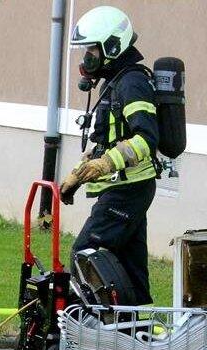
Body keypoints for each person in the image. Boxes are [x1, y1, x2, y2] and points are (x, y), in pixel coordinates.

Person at [60, 6, 159, 305]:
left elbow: (145, 140)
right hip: (127, 188)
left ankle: (81, 330)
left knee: (85, 255)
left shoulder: (132, 83)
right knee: (130, 267)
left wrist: (105, 164)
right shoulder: (115, 83)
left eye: (91, 51)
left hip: (128, 189)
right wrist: (77, 175)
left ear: (112, 46)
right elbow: (106, 142)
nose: (86, 59)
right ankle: (135, 335)